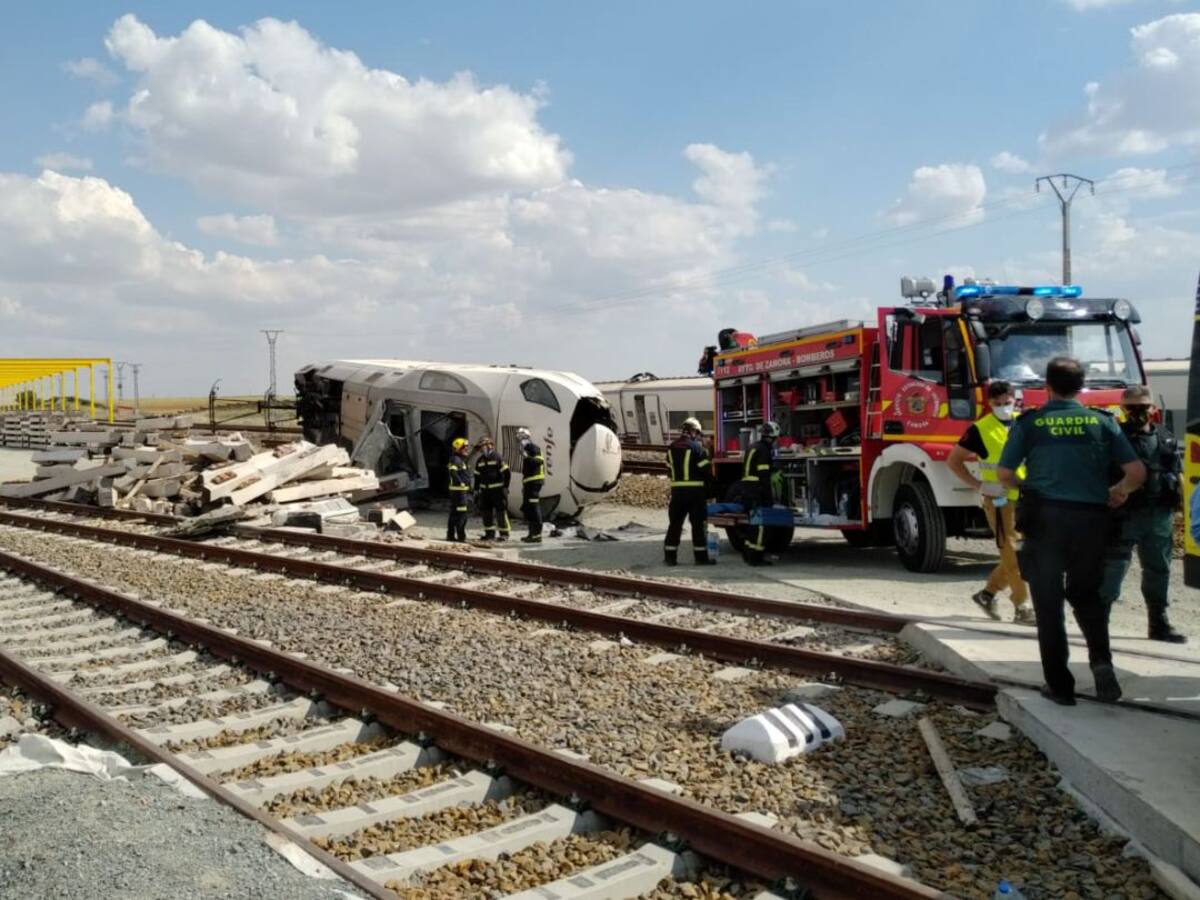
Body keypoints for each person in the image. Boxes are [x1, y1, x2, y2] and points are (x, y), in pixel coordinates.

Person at [998, 356, 1145, 706]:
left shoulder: (1030, 423)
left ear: (1046, 387)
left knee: (1048, 605)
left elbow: (1005, 473)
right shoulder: (1102, 422)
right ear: (1081, 388)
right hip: (1091, 522)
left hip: (1045, 521)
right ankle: (1101, 663)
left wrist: (1027, 486)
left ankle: (1060, 688)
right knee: (1087, 597)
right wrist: (1119, 491)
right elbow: (1137, 471)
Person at [1099, 386, 1187, 643]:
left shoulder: (1165, 436)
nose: (1139, 412)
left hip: (1158, 514)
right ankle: (1098, 624)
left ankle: (1158, 623)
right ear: (1123, 410)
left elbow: (1177, 471)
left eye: (1144, 407)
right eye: (1133, 408)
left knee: (1159, 569)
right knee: (1113, 570)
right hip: (1123, 516)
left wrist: (1182, 507)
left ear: (1153, 409)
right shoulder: (1113, 438)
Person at [947, 381, 1035, 625]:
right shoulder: (980, 429)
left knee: (1021, 554)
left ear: (1014, 399)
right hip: (998, 500)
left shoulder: (1025, 422)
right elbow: (953, 461)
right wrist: (978, 485)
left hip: (1027, 498)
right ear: (989, 404)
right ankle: (1023, 607)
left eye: (1007, 403)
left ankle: (987, 595)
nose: (1003, 408)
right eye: (997, 405)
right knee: (1012, 553)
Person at [664, 417, 715, 566]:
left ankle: (670, 557)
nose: (698, 436)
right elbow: (706, 472)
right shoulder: (697, 448)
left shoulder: (671, 447)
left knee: (675, 525)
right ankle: (701, 558)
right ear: (693, 431)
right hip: (695, 493)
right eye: (697, 433)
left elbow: (669, 471)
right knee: (697, 526)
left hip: (677, 493)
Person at [741, 420, 780, 567]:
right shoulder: (764, 450)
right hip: (757, 491)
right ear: (772, 437)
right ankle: (756, 558)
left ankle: (747, 553)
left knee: (753, 524)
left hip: (748, 490)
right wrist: (769, 498)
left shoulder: (753, 446)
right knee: (761, 526)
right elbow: (764, 476)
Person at [473, 436, 512, 541]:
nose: (482, 449)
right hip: (485, 492)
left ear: (490, 445)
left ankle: (504, 534)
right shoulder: (480, 460)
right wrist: (476, 490)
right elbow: (477, 477)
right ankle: (489, 534)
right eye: (481, 447)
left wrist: (505, 487)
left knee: (500, 512)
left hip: (497, 491)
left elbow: (507, 473)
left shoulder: (497, 457)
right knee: (486, 512)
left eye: (483, 446)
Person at [516, 426, 545, 543]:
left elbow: (539, 461)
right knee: (528, 508)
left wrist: (526, 457)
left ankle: (537, 535)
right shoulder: (528, 448)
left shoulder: (533, 447)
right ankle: (531, 534)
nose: (520, 440)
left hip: (534, 483)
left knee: (533, 508)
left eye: (522, 437)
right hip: (529, 483)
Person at [445, 436, 472, 543]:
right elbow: (453, 472)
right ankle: (461, 537)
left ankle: (451, 535)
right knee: (462, 515)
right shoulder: (456, 459)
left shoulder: (460, 459)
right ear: (458, 449)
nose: (466, 450)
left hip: (459, 491)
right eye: (464, 448)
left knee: (454, 514)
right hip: (459, 492)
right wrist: (461, 483)